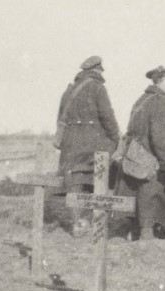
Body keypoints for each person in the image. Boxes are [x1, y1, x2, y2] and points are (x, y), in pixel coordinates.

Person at [56, 56, 122, 237]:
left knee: (75, 183)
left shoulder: (68, 91)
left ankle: (78, 225)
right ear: (98, 70)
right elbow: (108, 117)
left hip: (71, 146)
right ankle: (96, 226)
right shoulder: (98, 88)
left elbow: (60, 119)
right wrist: (117, 139)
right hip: (94, 144)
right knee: (97, 183)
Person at [116, 66, 165, 240]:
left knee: (137, 193)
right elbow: (159, 138)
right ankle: (147, 236)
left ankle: (135, 233)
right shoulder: (158, 101)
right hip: (148, 157)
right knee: (152, 193)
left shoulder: (142, 99)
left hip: (134, 156)